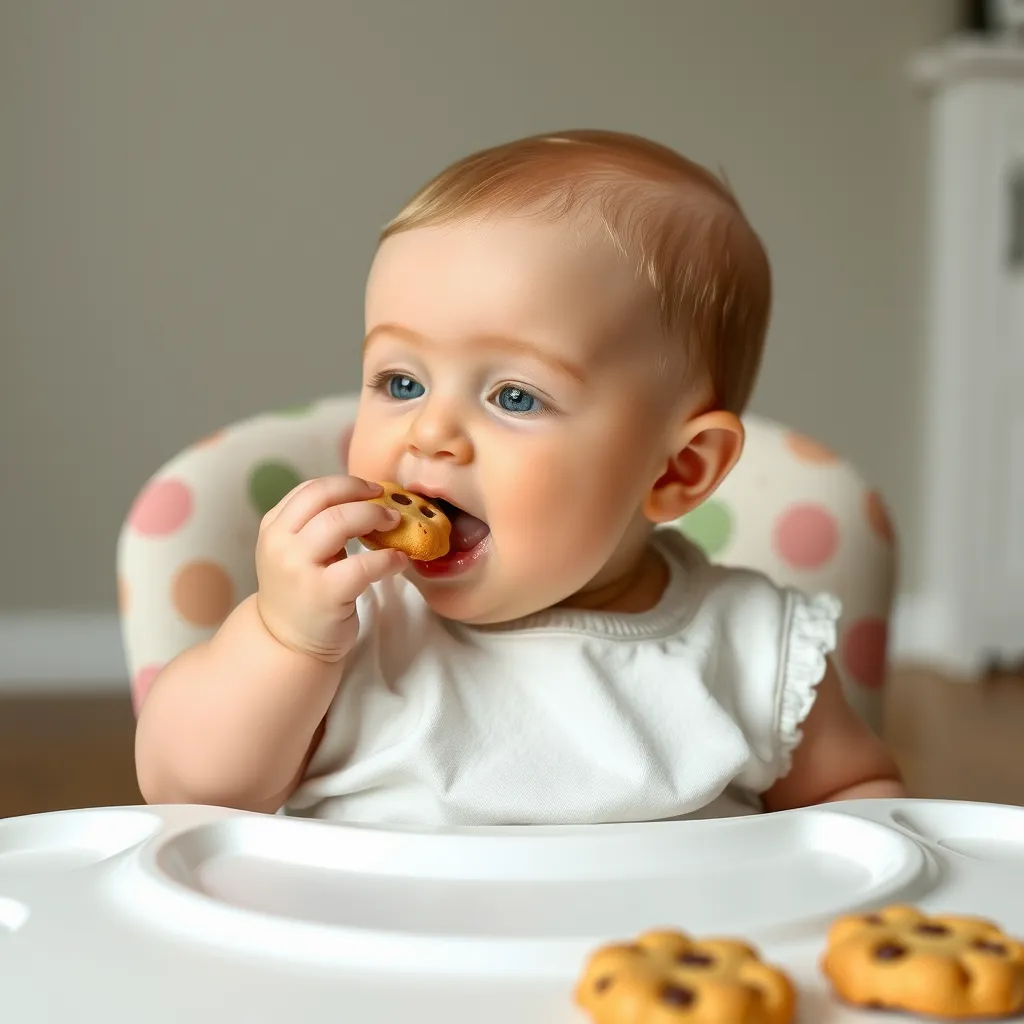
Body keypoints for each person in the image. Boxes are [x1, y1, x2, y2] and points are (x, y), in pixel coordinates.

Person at [135, 130, 905, 824]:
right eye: (401, 382)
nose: (430, 432)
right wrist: (283, 637)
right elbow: (189, 793)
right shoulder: (346, 622)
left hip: (647, 969)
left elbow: (856, 810)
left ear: (678, 468)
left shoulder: (751, 647)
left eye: (514, 396)